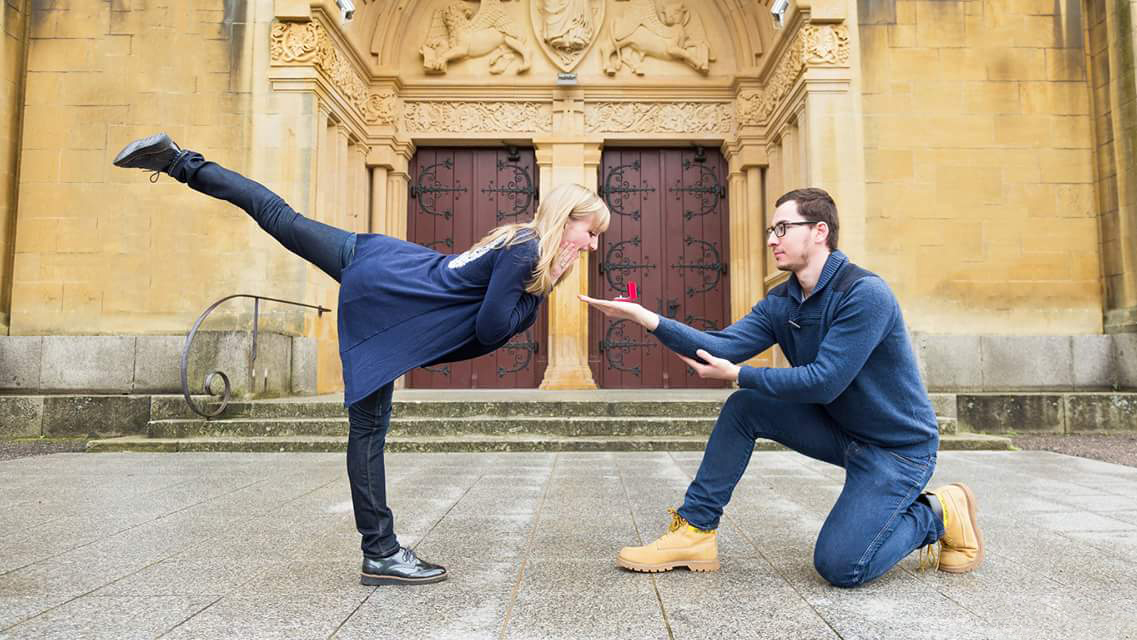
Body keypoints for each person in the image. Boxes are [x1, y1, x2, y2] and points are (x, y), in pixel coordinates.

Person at [113, 133, 610, 586]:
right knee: (368, 433)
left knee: (281, 217)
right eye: (589, 232)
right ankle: (381, 551)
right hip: (391, 306)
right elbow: (491, 329)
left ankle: (180, 162)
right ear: (566, 221)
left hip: (376, 259)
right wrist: (542, 293)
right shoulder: (526, 253)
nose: (592, 244)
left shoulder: (516, 238)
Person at [580, 187, 982, 587]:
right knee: (746, 407)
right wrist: (645, 318)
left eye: (783, 228)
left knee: (841, 567)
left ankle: (939, 511)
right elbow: (721, 347)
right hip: (840, 431)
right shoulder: (783, 302)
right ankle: (695, 531)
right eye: (772, 229)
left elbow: (825, 382)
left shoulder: (864, 294)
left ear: (820, 231)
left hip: (897, 451)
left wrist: (739, 374)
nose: (772, 239)